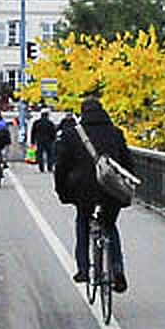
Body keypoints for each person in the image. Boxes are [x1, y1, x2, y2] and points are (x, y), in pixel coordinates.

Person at [54, 96, 133, 292]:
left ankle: (83, 268)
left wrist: (62, 192)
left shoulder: (73, 135)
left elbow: (62, 167)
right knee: (109, 224)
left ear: (83, 113)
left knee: (83, 220)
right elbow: (128, 164)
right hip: (111, 189)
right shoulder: (115, 133)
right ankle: (117, 268)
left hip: (83, 190)